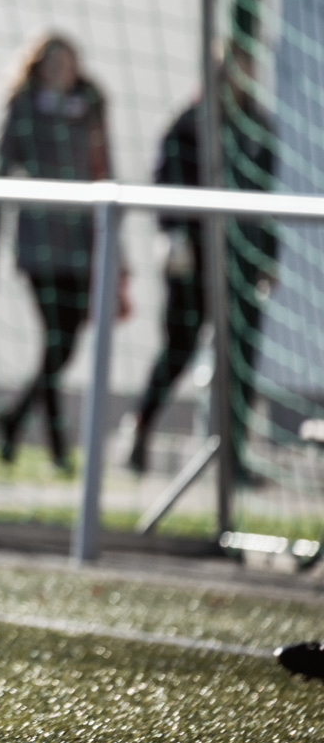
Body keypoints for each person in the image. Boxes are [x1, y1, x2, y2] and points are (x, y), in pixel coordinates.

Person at [127, 48, 278, 473]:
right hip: (195, 261)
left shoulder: (259, 127)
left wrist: (269, 256)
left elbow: (265, 199)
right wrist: (173, 237)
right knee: (179, 348)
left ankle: (234, 454)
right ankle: (140, 428)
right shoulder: (189, 123)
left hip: (241, 261)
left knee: (241, 357)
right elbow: (165, 183)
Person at [0, 33, 114, 471]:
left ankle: (13, 421)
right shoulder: (23, 106)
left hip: (82, 241)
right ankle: (58, 447)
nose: (62, 70)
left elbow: (105, 170)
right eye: (53, 62)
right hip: (39, 241)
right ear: (39, 67)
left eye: (69, 61)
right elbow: (1, 173)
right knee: (56, 343)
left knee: (63, 346)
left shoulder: (92, 104)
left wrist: (116, 255)